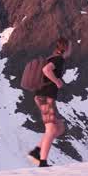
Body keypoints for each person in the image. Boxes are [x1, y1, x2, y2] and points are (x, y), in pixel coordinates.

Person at [28, 37, 71, 167]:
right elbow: (46, 70)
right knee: (51, 129)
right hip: (44, 97)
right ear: (66, 48)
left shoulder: (54, 58)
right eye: (71, 47)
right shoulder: (58, 60)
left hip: (44, 97)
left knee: (59, 128)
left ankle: (36, 152)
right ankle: (42, 162)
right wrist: (56, 81)